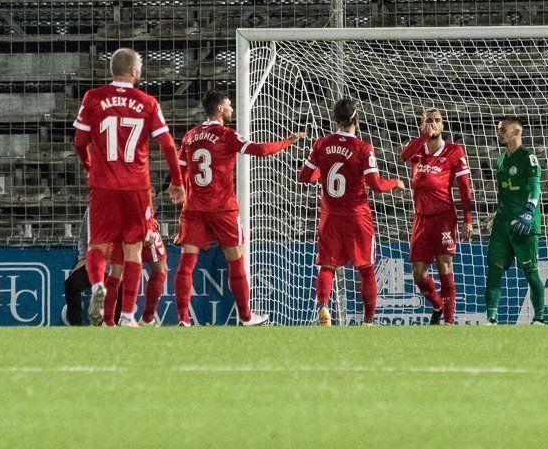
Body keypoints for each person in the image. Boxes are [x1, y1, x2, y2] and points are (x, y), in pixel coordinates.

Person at [73, 48, 184, 327]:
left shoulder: (93, 98)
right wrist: (177, 181)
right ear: (134, 71)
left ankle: (98, 284)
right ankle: (127, 316)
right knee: (133, 249)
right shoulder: (147, 101)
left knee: (98, 244)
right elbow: (168, 144)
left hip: (103, 184)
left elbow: (78, 141)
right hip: (136, 187)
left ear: (113, 70)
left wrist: (90, 167)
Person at [174, 89, 305, 327]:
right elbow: (260, 150)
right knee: (235, 260)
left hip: (194, 207)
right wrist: (288, 141)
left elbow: (179, 166)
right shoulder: (226, 135)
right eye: (229, 105)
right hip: (223, 208)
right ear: (220, 109)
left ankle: (183, 318)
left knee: (186, 263)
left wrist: (178, 187)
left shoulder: (190, 136)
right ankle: (246, 316)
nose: (232, 109)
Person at [298, 98, 405, 326]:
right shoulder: (363, 148)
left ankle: (324, 307)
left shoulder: (321, 144)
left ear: (335, 119)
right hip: (357, 217)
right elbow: (375, 185)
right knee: (366, 269)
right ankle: (368, 322)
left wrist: (322, 174)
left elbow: (304, 176)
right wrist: (395, 182)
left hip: (330, 217)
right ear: (356, 118)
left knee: (328, 266)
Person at [400, 108, 473, 325]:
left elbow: (465, 188)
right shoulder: (416, 150)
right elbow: (403, 156)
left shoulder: (454, 151)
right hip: (421, 219)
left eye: (437, 121)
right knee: (418, 273)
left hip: (443, 218)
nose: (433, 124)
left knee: (445, 267)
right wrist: (424, 136)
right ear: (422, 125)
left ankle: (449, 322)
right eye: (428, 121)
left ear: (443, 126)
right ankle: (437, 305)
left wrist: (467, 220)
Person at [484, 115, 545, 325]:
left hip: (524, 223)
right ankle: (491, 319)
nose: (498, 133)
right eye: (498, 129)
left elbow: (535, 186)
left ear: (516, 132)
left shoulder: (528, 157)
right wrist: (497, 213)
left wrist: (529, 212)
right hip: (503, 223)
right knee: (494, 270)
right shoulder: (500, 159)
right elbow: (504, 192)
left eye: (502, 130)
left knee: (530, 272)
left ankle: (538, 319)